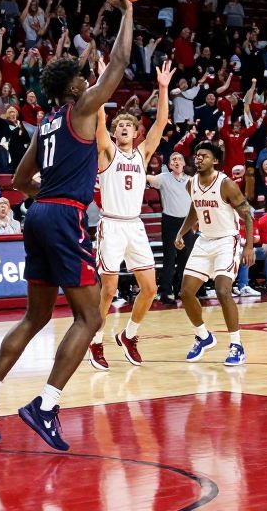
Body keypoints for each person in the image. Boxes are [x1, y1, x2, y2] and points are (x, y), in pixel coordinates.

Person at [0, 0, 133, 453]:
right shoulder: (81, 109)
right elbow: (117, 64)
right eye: (81, 77)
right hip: (62, 217)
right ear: (74, 87)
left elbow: (16, 181)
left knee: (35, 315)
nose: (86, 77)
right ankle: (47, 406)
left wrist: (47, 193)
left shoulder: (48, 121)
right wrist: (129, 10)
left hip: (36, 213)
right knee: (90, 317)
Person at [89, 60, 174, 372]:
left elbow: (161, 123)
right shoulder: (107, 152)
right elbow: (99, 119)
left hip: (134, 226)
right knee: (109, 290)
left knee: (150, 289)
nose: (123, 128)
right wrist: (102, 81)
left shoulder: (143, 153)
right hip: (111, 225)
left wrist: (163, 88)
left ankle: (129, 335)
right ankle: (96, 341)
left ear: (137, 132)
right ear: (114, 132)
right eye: (119, 126)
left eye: (128, 126)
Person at [174, 141, 254, 366]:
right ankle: (203, 336)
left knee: (222, 290)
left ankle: (237, 345)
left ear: (215, 160)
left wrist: (248, 247)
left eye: (204, 156)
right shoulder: (191, 184)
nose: (199, 159)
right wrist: (182, 232)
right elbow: (195, 209)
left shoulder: (226, 184)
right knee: (186, 293)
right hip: (204, 240)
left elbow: (247, 215)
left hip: (226, 240)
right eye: (197, 155)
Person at [147, 149, 195, 305]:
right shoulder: (164, 178)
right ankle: (166, 292)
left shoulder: (191, 180)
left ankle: (183, 290)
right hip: (170, 221)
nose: (176, 161)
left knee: (185, 258)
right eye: (173, 159)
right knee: (169, 257)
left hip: (187, 222)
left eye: (179, 159)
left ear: (183, 163)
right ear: (169, 164)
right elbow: (148, 179)